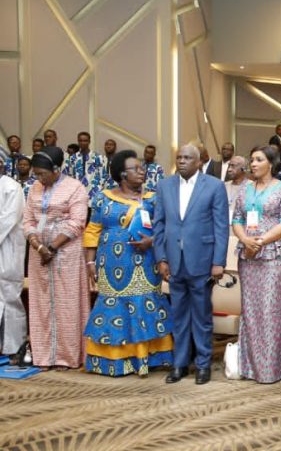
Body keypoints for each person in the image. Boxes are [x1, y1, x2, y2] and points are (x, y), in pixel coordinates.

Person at [82, 150, 173, 377]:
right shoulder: (103, 197)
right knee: (114, 305)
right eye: (136, 168)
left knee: (144, 303)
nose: (142, 171)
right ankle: (114, 360)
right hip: (110, 263)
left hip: (145, 262)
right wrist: (90, 262)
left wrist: (152, 240)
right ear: (122, 174)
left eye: (143, 167)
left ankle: (147, 359)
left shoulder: (154, 198)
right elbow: (93, 230)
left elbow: (167, 228)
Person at [153, 144, 229, 385]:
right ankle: (180, 364)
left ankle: (203, 365)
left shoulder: (215, 186)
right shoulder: (165, 185)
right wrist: (161, 258)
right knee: (178, 316)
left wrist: (218, 262)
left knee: (202, 316)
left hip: (203, 262)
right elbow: (159, 225)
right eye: (179, 157)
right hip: (174, 262)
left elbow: (221, 226)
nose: (182, 161)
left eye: (187, 158)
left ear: (199, 162)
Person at [231, 146, 281, 383]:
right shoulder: (244, 189)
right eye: (252, 160)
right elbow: (237, 219)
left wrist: (260, 240)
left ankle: (273, 369)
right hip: (248, 256)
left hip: (275, 255)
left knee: (271, 310)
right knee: (250, 310)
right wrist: (245, 240)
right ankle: (251, 368)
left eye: (259, 159)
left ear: (272, 163)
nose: (254, 163)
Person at [23, 146, 90, 369]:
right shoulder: (34, 188)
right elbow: (28, 221)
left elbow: (78, 222)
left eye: (42, 173)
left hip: (66, 253)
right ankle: (44, 356)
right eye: (36, 174)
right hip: (39, 255)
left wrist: (52, 246)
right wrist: (38, 245)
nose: (38, 178)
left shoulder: (75, 188)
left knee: (67, 304)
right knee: (41, 305)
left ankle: (67, 357)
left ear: (55, 169)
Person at [0, 160, 26, 362]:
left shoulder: (12, 187)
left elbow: (8, 218)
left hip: (7, 249)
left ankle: (14, 347)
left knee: (10, 297)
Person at [62, 131, 109, 201]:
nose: (83, 143)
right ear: (78, 141)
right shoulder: (73, 158)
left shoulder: (97, 157)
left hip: (94, 195)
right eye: (80, 141)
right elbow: (69, 176)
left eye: (85, 141)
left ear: (89, 141)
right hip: (77, 195)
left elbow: (103, 175)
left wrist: (99, 190)